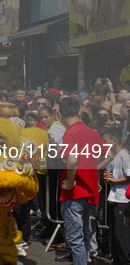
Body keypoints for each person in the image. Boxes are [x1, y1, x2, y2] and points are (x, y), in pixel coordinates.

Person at [59, 97, 104, 265]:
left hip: (75, 193)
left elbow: (72, 159)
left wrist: (70, 182)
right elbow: (105, 155)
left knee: (76, 239)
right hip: (90, 191)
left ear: (60, 114)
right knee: (85, 234)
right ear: (79, 111)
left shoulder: (70, 133)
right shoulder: (92, 133)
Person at [100, 127, 130, 264]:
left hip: (123, 199)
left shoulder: (125, 156)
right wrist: (106, 176)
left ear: (114, 141)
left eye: (105, 142)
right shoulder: (114, 157)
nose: (103, 145)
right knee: (115, 234)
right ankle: (116, 259)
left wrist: (114, 181)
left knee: (121, 235)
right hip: (114, 198)